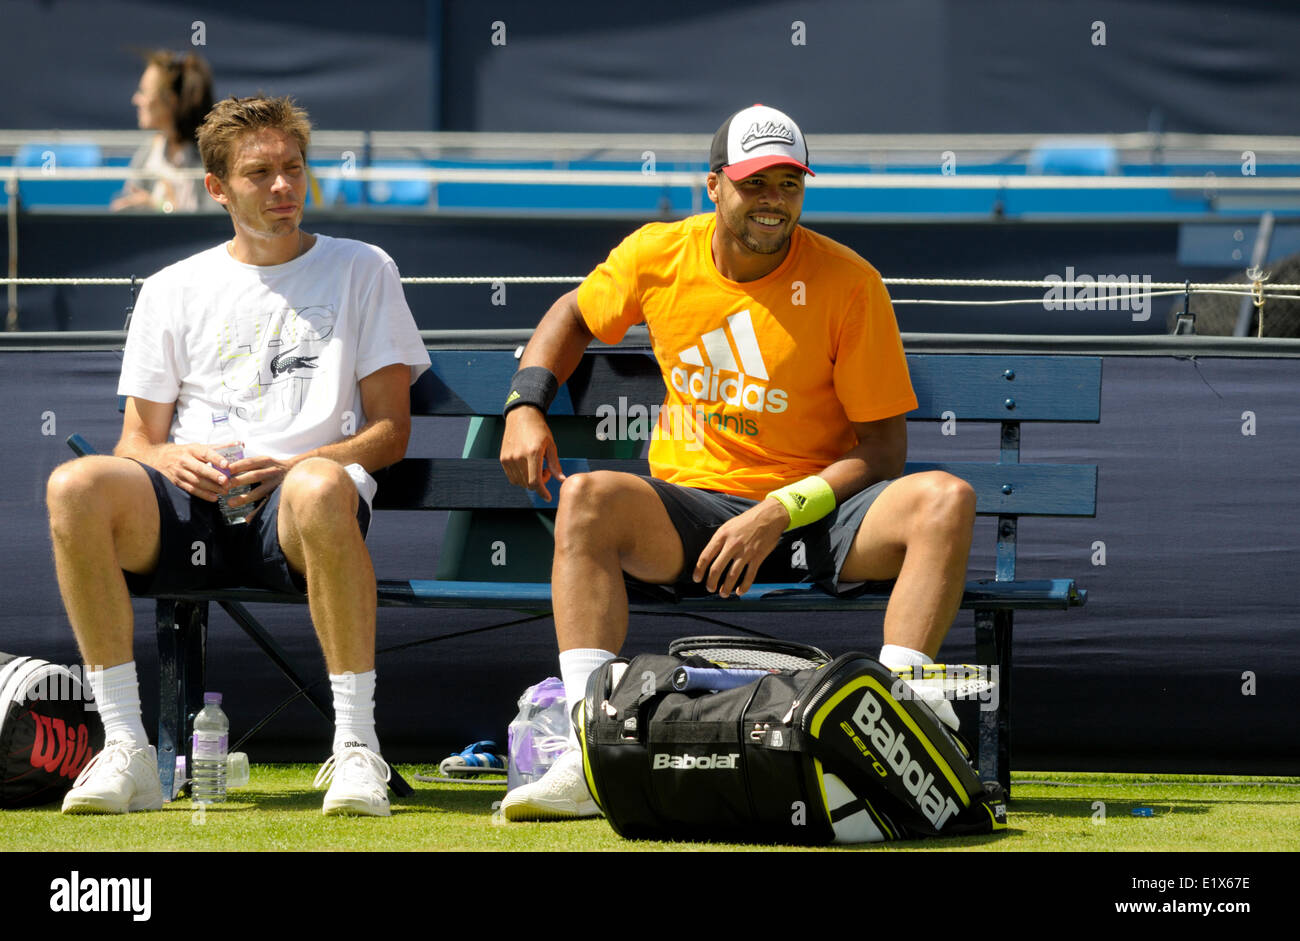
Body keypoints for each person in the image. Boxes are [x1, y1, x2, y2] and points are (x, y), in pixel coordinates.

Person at [497, 104, 976, 821]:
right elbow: (572, 313)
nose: (773, 202)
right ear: (714, 185)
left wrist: (779, 509)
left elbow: (883, 452)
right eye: (756, 184)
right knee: (589, 496)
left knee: (946, 497)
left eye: (789, 183)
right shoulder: (659, 253)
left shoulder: (851, 282)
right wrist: (526, 405)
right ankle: (588, 750)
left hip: (818, 514)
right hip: (695, 513)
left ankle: (900, 731)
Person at [47, 95, 429, 817]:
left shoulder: (363, 268)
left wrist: (297, 465)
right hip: (188, 512)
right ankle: (126, 746)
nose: (283, 186)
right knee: (74, 485)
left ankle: (355, 746)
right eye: (260, 174)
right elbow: (136, 440)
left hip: (300, 513)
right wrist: (167, 458)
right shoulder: (170, 288)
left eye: (293, 168)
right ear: (217, 188)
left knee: (319, 484)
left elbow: (391, 432)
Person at [111, 50, 214, 213]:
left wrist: (162, 208)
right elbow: (122, 207)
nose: (136, 100)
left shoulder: (210, 158)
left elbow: (214, 225)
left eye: (144, 91)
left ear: (170, 100)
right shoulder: (150, 151)